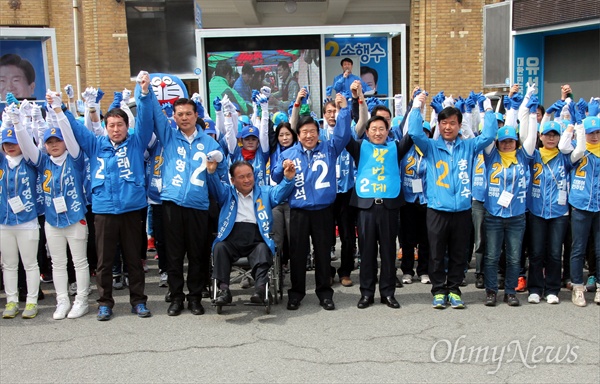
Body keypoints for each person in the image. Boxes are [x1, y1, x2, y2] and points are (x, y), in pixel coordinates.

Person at [62, 71, 154, 321]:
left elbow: (146, 121)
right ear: (105, 127)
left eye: (120, 125)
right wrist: (62, 110)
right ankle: (105, 303)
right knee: (103, 262)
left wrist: (144, 93)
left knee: (134, 259)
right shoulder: (95, 145)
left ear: (127, 126)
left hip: (132, 209)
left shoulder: (136, 143)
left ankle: (139, 301)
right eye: (111, 125)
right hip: (103, 210)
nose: (116, 129)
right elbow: (76, 131)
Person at [408, 90, 496, 309]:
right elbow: (414, 132)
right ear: (439, 125)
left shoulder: (468, 145)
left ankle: (454, 289)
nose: (448, 127)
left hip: (462, 210)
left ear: (459, 125)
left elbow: (489, 135)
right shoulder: (430, 146)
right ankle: (438, 290)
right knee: (436, 253)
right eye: (444, 123)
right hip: (437, 209)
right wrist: (417, 107)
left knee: (459, 253)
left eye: (453, 123)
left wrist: (488, 109)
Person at [149, 88, 228, 316]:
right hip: (172, 203)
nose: (184, 117)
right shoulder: (168, 136)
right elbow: (154, 114)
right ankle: (176, 298)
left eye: (188, 114)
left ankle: (194, 297)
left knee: (197, 254)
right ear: (174, 117)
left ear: (196, 116)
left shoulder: (209, 142)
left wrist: (217, 163)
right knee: (173, 254)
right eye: (179, 114)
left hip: (198, 205)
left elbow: (221, 169)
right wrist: (146, 92)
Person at [12, 95, 91, 320]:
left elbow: (70, 135)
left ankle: (82, 300)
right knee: (57, 262)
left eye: (57, 140)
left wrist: (58, 111)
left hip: (75, 217)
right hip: (52, 219)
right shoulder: (43, 161)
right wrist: (18, 123)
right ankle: (62, 300)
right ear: (45, 145)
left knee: (80, 262)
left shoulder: (74, 158)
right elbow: (27, 145)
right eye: (49, 142)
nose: (54, 144)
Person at [271, 93, 351, 311]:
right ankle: (296, 293)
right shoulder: (289, 153)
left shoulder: (329, 148)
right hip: (298, 211)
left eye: (313, 132)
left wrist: (344, 110)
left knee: (324, 252)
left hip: (324, 210)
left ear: (319, 133)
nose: (309, 136)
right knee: (298, 253)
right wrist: (284, 169)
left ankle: (325, 292)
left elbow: (344, 134)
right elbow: (276, 177)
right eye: (304, 132)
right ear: (298, 135)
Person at [345, 106, 414, 308]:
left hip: (389, 207)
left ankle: (387, 292)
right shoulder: (360, 147)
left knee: (388, 252)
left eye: (381, 128)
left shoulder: (395, 147)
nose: (378, 132)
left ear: (388, 129)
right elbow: (343, 135)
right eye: (373, 129)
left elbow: (412, 134)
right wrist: (346, 106)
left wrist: (415, 106)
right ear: (367, 132)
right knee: (366, 252)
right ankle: (366, 293)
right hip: (366, 207)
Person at [208, 160, 296, 305]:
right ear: (233, 180)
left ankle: (260, 290)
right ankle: (224, 291)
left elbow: (280, 192)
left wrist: (288, 179)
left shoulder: (265, 192)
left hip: (256, 238)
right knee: (219, 248)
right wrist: (211, 173)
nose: (247, 180)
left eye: (249, 175)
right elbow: (215, 186)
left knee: (263, 249)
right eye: (241, 177)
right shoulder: (226, 193)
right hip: (231, 238)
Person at [482, 85, 537, 307]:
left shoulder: (524, 157)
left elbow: (530, 136)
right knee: (492, 256)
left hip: (516, 216)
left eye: (511, 141)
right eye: (503, 141)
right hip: (494, 215)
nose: (507, 144)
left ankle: (510, 291)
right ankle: (491, 291)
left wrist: (530, 114)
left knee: (515, 257)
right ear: (498, 142)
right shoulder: (491, 155)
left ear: (516, 142)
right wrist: (488, 107)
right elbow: (487, 134)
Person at [559, 106, 600, 306]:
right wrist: (579, 126)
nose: (594, 136)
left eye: (597, 132)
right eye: (591, 132)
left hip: (599, 207)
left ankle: (599, 285)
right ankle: (577, 286)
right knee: (578, 248)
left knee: (599, 249)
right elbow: (563, 146)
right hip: (580, 206)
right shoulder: (579, 150)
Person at [0, 124, 41, 319]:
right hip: (4, 222)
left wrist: (18, 124)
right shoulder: (1, 162)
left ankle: (31, 301)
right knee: (8, 264)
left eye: (14, 142)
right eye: (6, 143)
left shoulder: (30, 161)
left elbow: (30, 146)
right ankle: (12, 301)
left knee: (30, 264)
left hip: (27, 222)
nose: (10, 146)